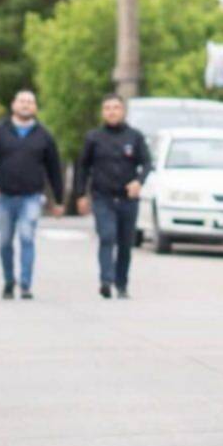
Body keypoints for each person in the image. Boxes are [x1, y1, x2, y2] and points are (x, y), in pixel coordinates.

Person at [0, 90, 64, 300]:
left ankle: (26, 284)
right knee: (5, 241)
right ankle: (9, 280)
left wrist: (58, 200)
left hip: (31, 196)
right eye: (22, 101)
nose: (26, 105)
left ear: (35, 107)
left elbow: (54, 169)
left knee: (27, 237)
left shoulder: (44, 135)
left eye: (30, 102)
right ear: (13, 105)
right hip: (4, 196)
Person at [74, 93, 151, 299]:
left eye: (116, 108)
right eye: (107, 108)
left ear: (123, 111)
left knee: (125, 244)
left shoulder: (135, 136)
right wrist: (81, 194)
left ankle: (121, 284)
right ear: (103, 112)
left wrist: (139, 181)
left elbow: (147, 163)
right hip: (103, 197)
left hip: (127, 198)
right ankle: (106, 281)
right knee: (107, 236)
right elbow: (83, 167)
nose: (112, 112)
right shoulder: (94, 138)